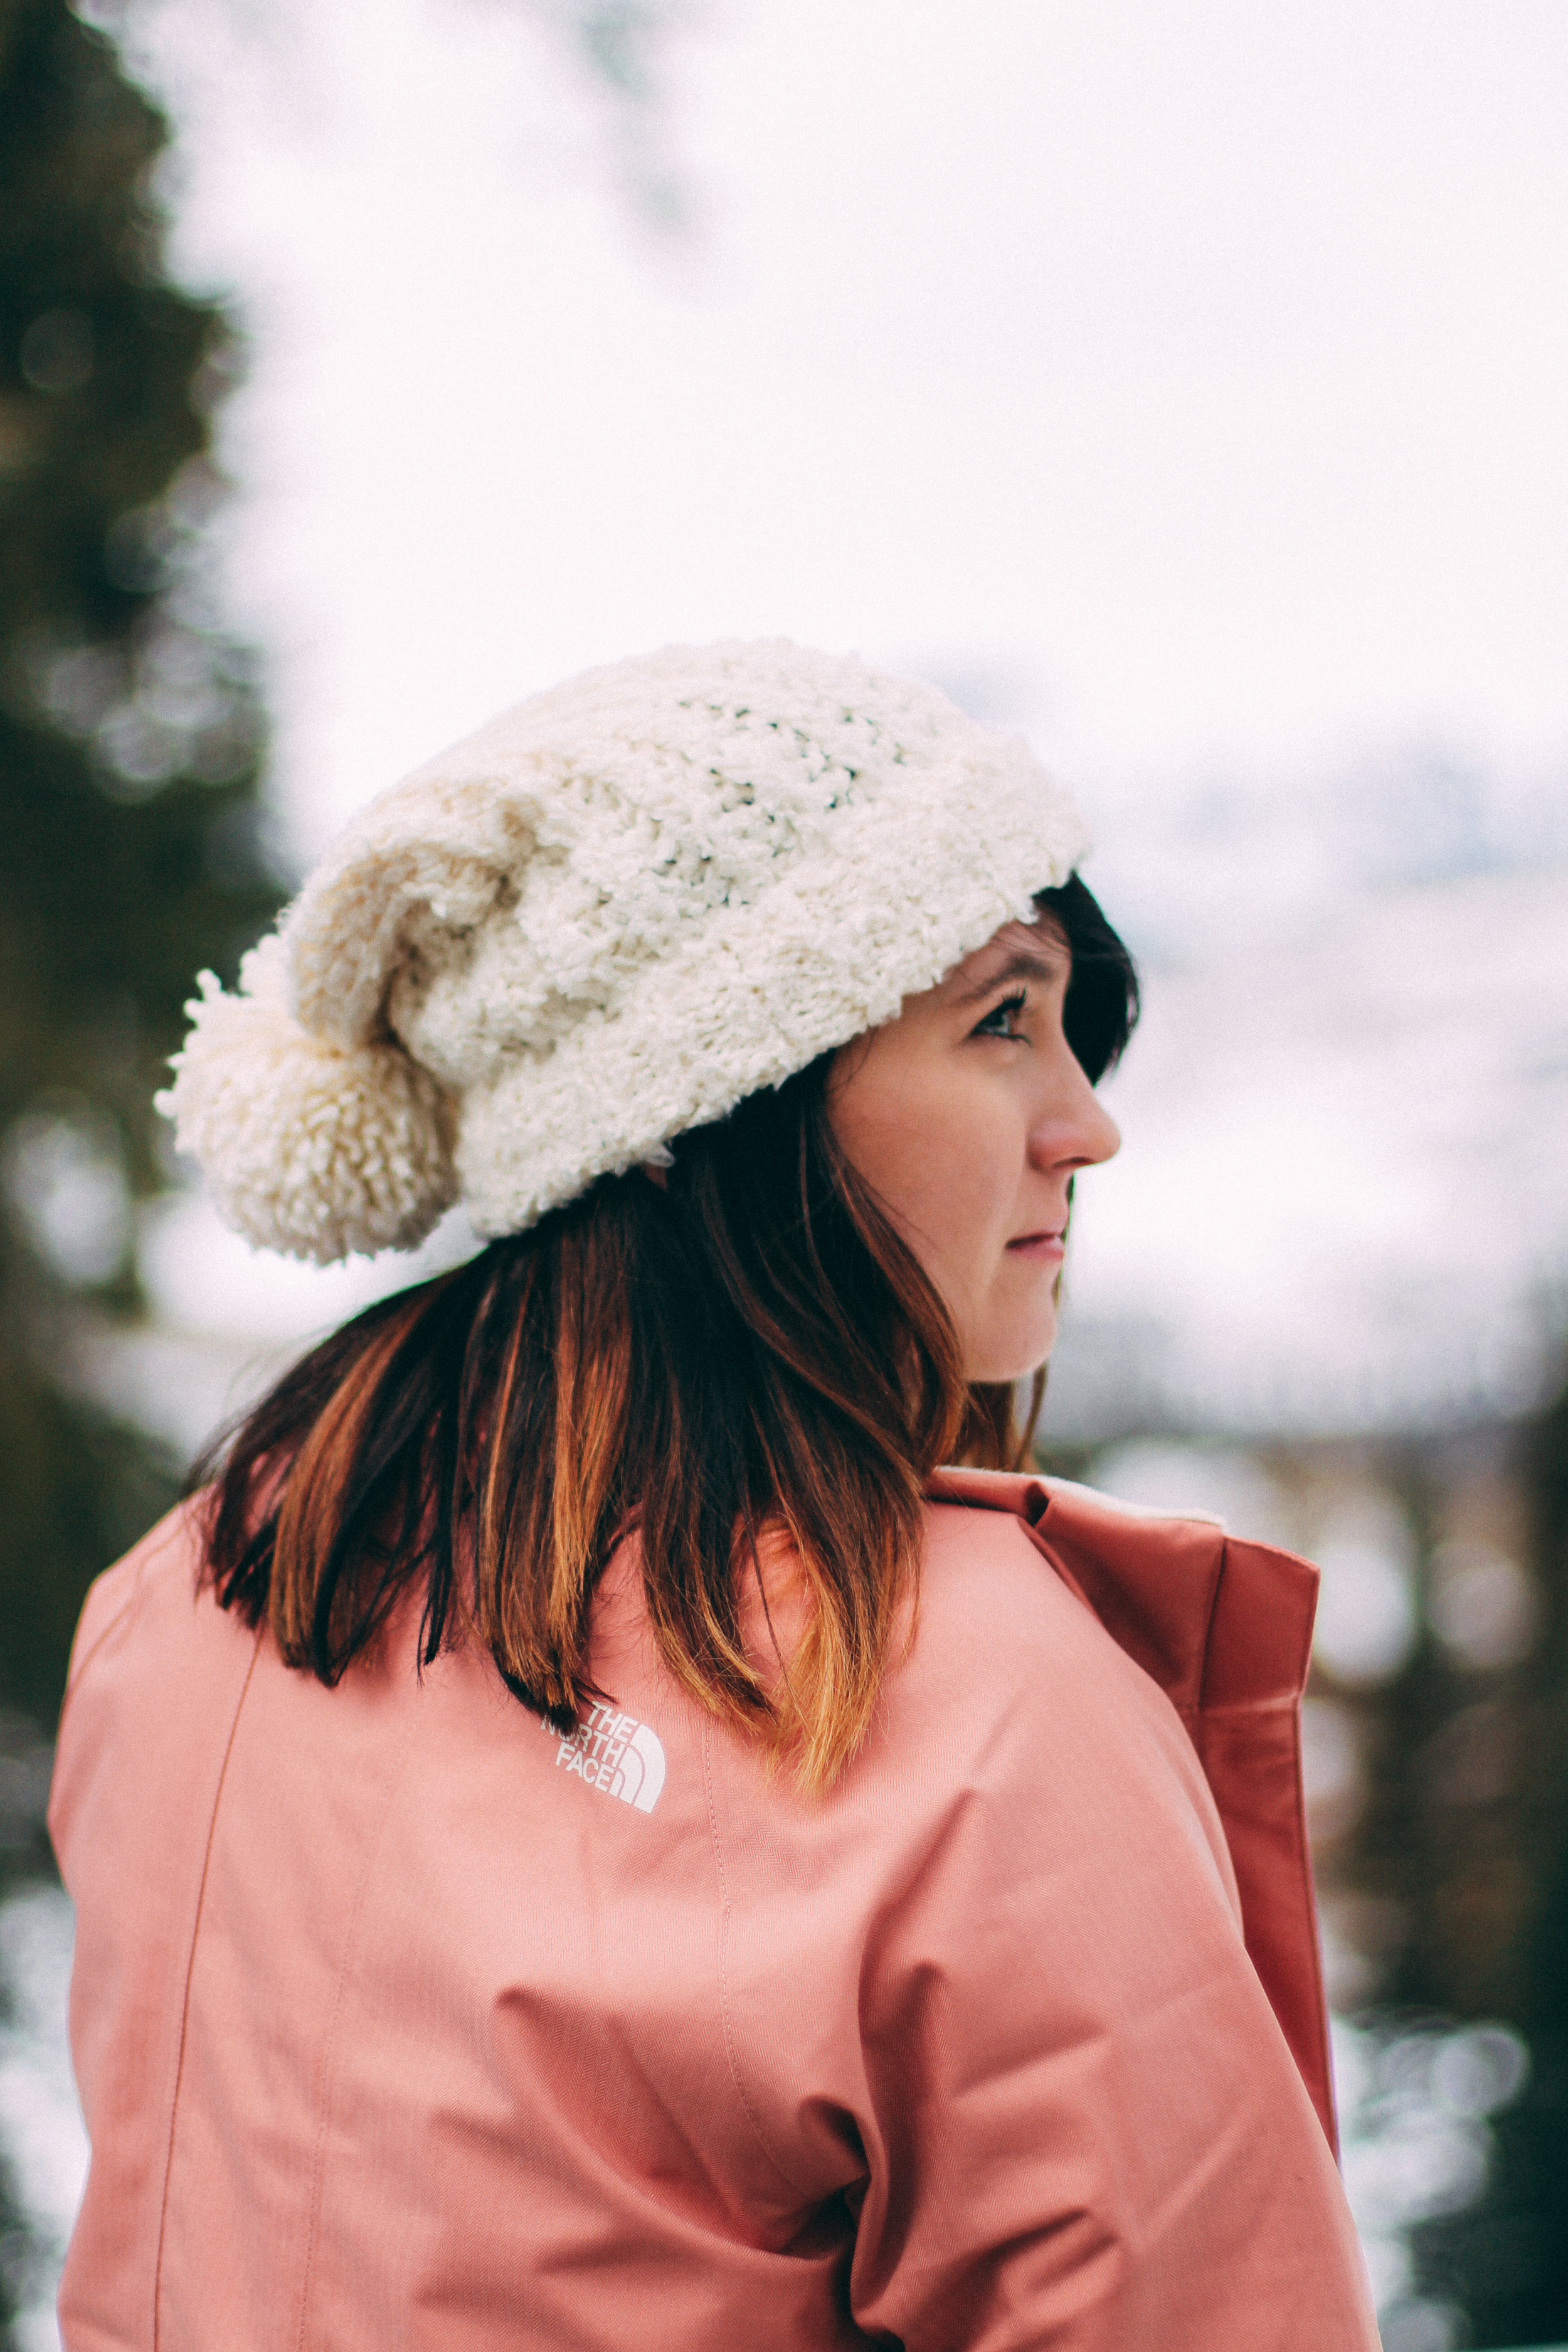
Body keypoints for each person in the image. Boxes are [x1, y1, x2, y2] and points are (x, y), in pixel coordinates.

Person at [48, 642, 1379, 2349]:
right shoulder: (961, 1707)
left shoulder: (185, 1604)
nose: (1081, 1124)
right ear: (708, 1101)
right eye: (999, 1022)